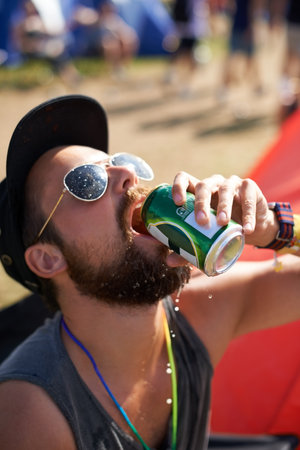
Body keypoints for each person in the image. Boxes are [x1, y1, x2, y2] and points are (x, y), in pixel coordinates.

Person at [0, 94, 300, 450]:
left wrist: (274, 229)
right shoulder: (30, 411)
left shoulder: (199, 313)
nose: (127, 174)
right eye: (85, 182)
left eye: (120, 162)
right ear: (48, 259)